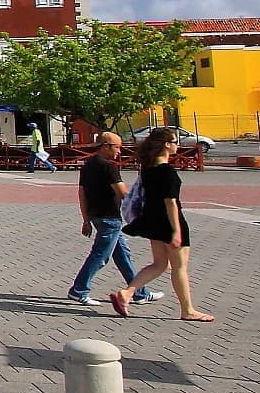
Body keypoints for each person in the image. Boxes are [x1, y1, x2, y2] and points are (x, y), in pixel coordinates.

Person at [110, 128, 213, 322]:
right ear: (166, 145)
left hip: (153, 220)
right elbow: (170, 202)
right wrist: (176, 231)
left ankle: (127, 293)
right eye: (175, 142)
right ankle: (187, 310)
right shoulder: (166, 171)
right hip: (169, 221)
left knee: (159, 264)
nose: (177, 145)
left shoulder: (147, 168)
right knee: (179, 267)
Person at [67, 132, 160, 306]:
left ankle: (139, 293)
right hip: (109, 218)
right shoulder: (108, 167)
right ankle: (78, 290)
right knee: (100, 256)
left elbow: (82, 194)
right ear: (105, 146)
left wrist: (86, 219)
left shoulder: (88, 165)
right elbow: (123, 193)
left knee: (123, 256)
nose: (119, 151)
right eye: (117, 147)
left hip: (97, 216)